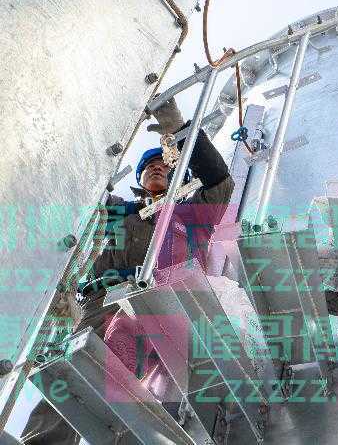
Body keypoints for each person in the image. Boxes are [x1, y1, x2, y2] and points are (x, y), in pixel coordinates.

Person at [20, 99, 234, 444]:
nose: (157, 168)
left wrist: (179, 131)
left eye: (164, 164)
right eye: (149, 166)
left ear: (179, 173)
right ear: (139, 178)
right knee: (66, 377)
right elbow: (74, 192)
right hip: (99, 301)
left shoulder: (191, 214)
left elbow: (220, 181)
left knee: (117, 379)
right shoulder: (115, 213)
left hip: (160, 303)